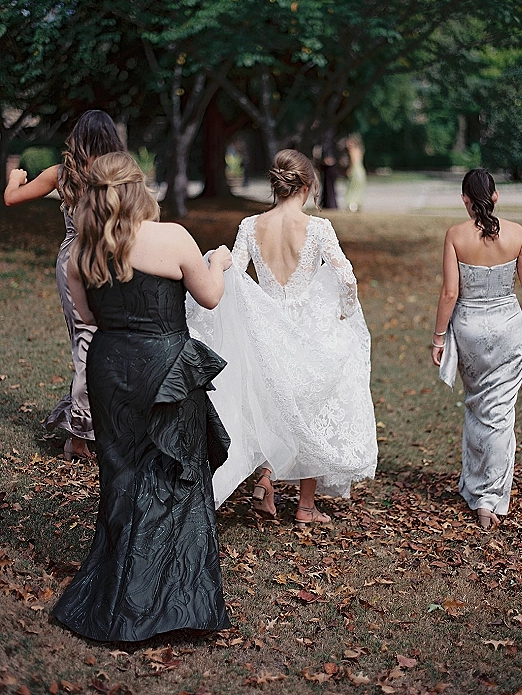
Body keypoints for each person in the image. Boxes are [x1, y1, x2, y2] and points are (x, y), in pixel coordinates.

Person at [53, 152, 232, 642]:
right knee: (175, 475)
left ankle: (120, 594)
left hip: (111, 367)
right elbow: (211, 295)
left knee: (121, 472)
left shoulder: (80, 253)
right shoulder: (172, 237)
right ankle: (174, 601)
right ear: (138, 189)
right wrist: (219, 260)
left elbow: (88, 317)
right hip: (166, 369)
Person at [187, 149, 377, 525]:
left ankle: (265, 476)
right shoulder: (318, 229)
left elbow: (234, 277)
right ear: (306, 185)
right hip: (308, 328)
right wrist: (345, 312)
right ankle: (305, 506)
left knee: (274, 403)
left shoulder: (250, 225)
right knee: (313, 405)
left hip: (267, 328)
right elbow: (346, 278)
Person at [4, 111, 124, 460]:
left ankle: (82, 429)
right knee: (107, 341)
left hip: (73, 261)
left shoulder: (62, 174)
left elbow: (13, 198)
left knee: (85, 343)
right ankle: (84, 430)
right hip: (112, 261)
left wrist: (14, 177)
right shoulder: (119, 174)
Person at [431, 169, 522, 530]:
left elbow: (450, 293)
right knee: (500, 411)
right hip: (508, 326)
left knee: (478, 406)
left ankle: (477, 488)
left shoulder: (456, 235)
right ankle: (489, 497)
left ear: (465, 199)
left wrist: (438, 337)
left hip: (469, 330)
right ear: (496, 196)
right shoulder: (517, 233)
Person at [344, 133, 367, 212]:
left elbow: (353, 161)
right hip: (361, 170)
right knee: (358, 186)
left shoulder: (352, 150)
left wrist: (349, 169)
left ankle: (352, 203)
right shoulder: (360, 149)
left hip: (355, 170)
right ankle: (357, 203)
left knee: (352, 186)